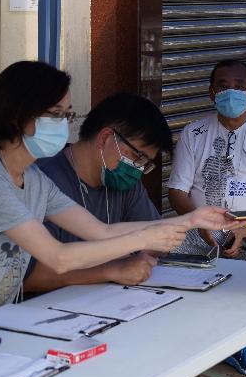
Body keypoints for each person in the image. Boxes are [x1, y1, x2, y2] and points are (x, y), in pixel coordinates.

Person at [0, 61, 242, 377]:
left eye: (66, 115)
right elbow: (58, 257)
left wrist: (190, 220)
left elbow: (99, 232)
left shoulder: (33, 180)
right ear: (16, 115)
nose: (62, 125)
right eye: (54, 114)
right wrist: (145, 238)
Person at [167, 59, 246, 376]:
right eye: (223, 86)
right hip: (201, 226)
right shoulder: (193, 132)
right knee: (167, 263)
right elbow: (177, 192)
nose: (231, 92)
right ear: (211, 92)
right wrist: (201, 221)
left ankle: (241, 339)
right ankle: (184, 337)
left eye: (239, 86)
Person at [26, 93, 172, 292]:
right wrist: (111, 270)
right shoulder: (43, 180)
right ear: (105, 138)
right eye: (138, 156)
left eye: (145, 164)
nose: (138, 169)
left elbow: (155, 241)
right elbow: (27, 277)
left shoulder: (124, 181)